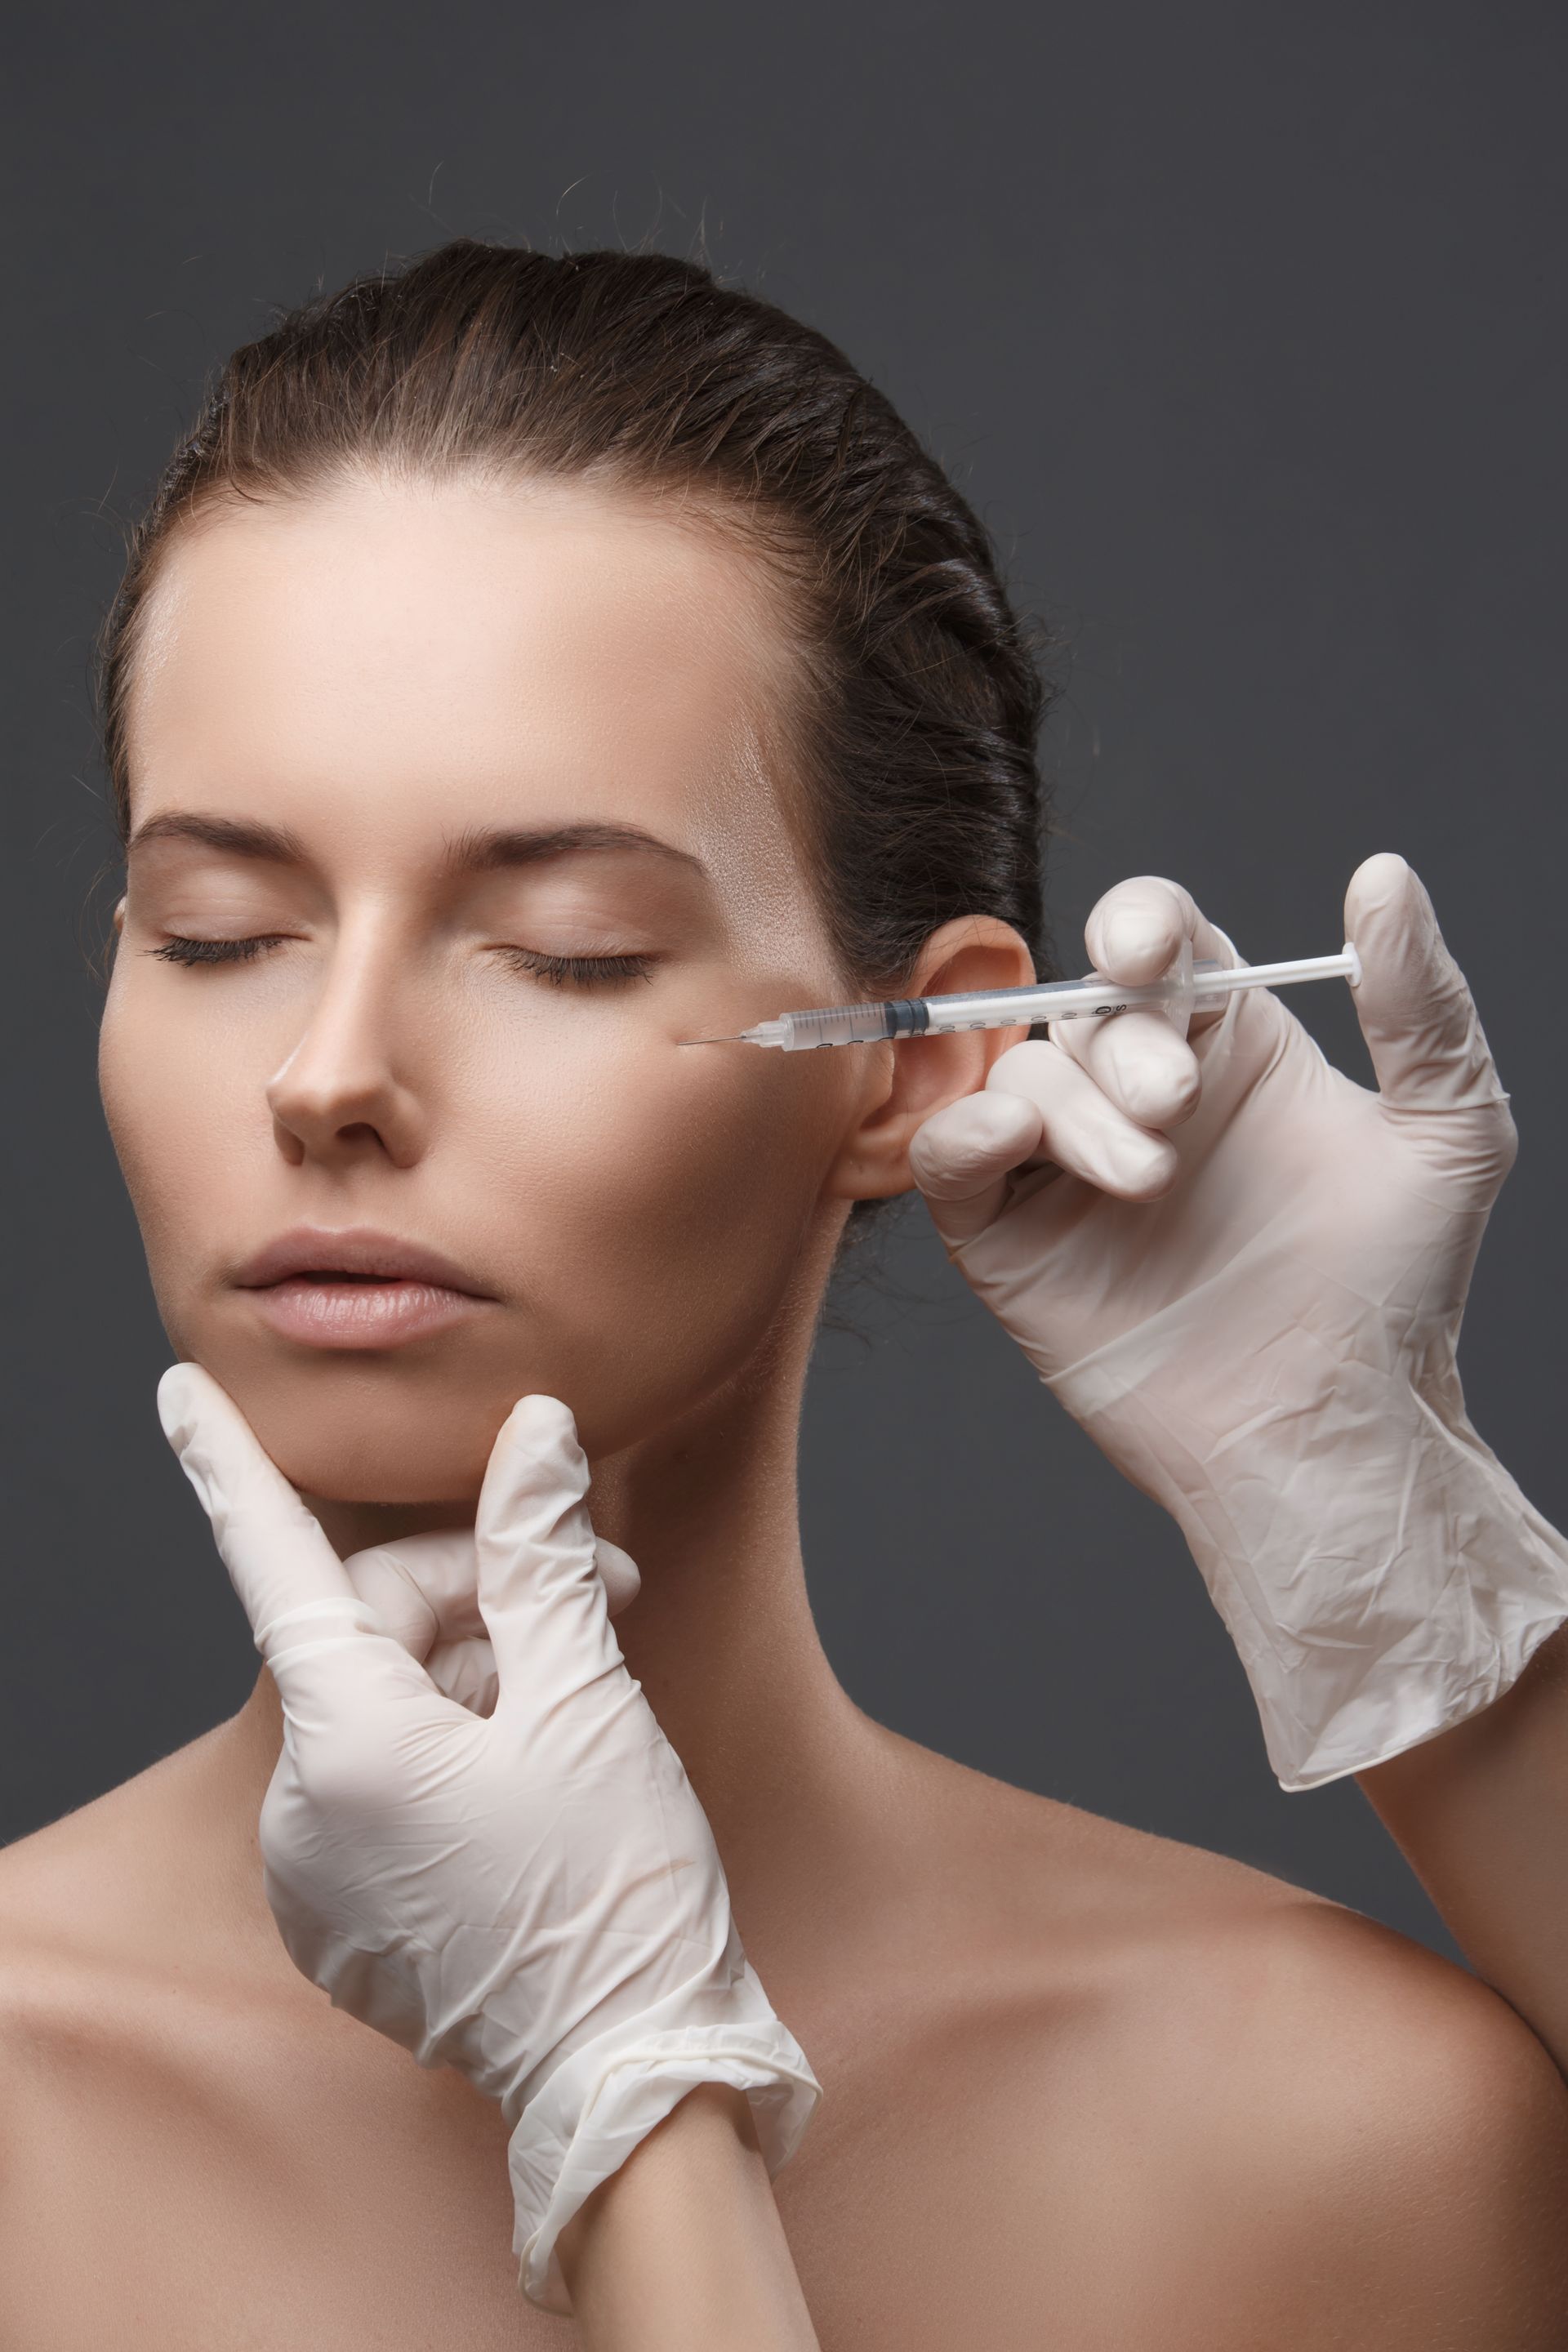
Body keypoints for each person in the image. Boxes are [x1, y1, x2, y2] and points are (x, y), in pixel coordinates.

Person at [2, 241, 1566, 2350]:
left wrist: (1412, 1568)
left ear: (918, 1060)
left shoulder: (1339, 2147)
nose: (326, 1074)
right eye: (214, 931)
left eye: (562, 948)